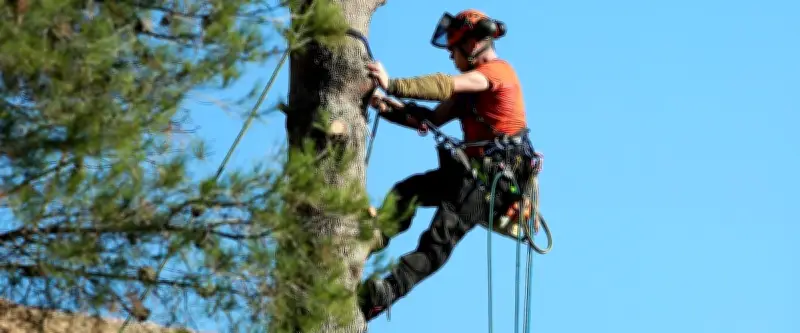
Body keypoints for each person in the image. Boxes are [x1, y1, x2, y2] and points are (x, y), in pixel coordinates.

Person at [358, 9, 541, 321]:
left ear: (471, 46)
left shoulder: (497, 74)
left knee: (439, 238)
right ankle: (377, 234)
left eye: (453, 50)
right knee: (409, 190)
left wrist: (393, 85)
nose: (450, 56)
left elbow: (444, 85)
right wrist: (383, 104)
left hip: (489, 186)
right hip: (467, 176)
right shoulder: (470, 93)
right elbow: (428, 118)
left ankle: (385, 294)